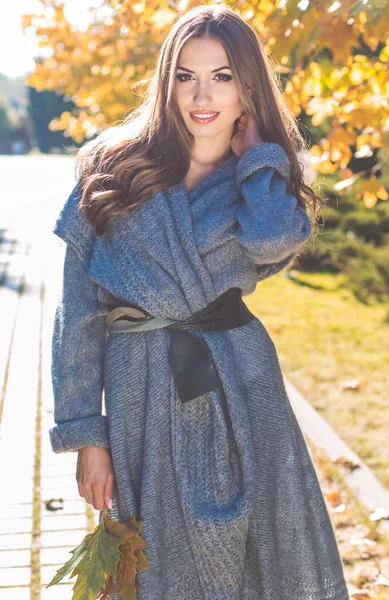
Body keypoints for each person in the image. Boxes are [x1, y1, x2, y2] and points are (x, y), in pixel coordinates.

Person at [50, 4, 350, 599]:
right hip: (140, 391)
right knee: (156, 567)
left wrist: (261, 156)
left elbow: (272, 241)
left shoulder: (262, 178)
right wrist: (88, 434)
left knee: (262, 555)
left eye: (222, 76)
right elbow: (77, 314)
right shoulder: (111, 169)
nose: (201, 95)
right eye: (186, 76)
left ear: (248, 88)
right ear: (167, 83)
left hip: (240, 383)